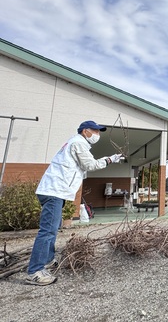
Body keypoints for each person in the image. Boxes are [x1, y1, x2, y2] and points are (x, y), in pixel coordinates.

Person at [27, 120, 122, 286]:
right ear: (85, 131)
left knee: (53, 227)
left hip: (55, 191)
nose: (97, 134)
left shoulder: (75, 142)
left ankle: (48, 260)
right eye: (95, 131)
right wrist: (109, 159)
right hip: (54, 191)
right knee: (48, 231)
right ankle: (35, 270)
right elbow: (90, 164)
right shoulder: (78, 143)